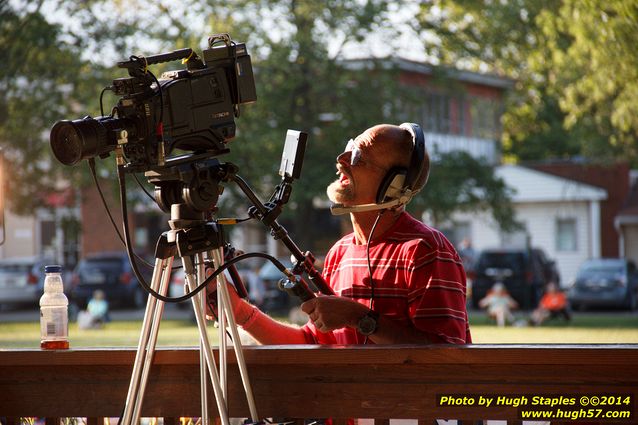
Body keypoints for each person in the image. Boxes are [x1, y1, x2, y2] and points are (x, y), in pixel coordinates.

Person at [209, 123, 471, 346]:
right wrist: (238, 311)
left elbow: (447, 354)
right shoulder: (341, 252)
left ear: (393, 187)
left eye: (359, 156)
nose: (341, 159)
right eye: (349, 148)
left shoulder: (426, 250)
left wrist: (360, 318)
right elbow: (310, 345)